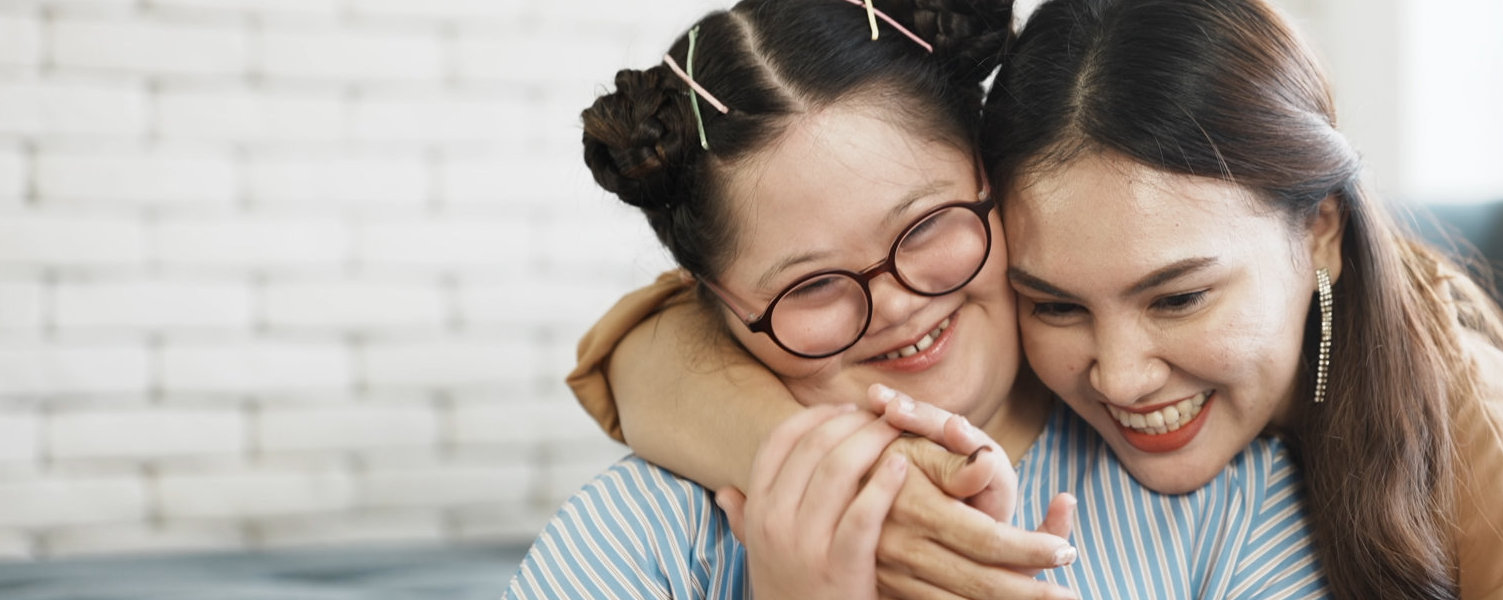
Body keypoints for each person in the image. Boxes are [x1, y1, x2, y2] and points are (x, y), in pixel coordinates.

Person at [579, 0, 1503, 598]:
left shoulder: (1496, 499)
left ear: (1318, 232)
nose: (1120, 376)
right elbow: (658, 342)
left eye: (1177, 299)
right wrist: (834, 485)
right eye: (1055, 304)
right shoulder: (699, 476)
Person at [503, 0, 1325, 598]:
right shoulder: (651, 532)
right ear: (714, 307)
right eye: (812, 285)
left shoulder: (1233, 497)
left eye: (927, 226)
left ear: (996, 185)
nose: (896, 303)